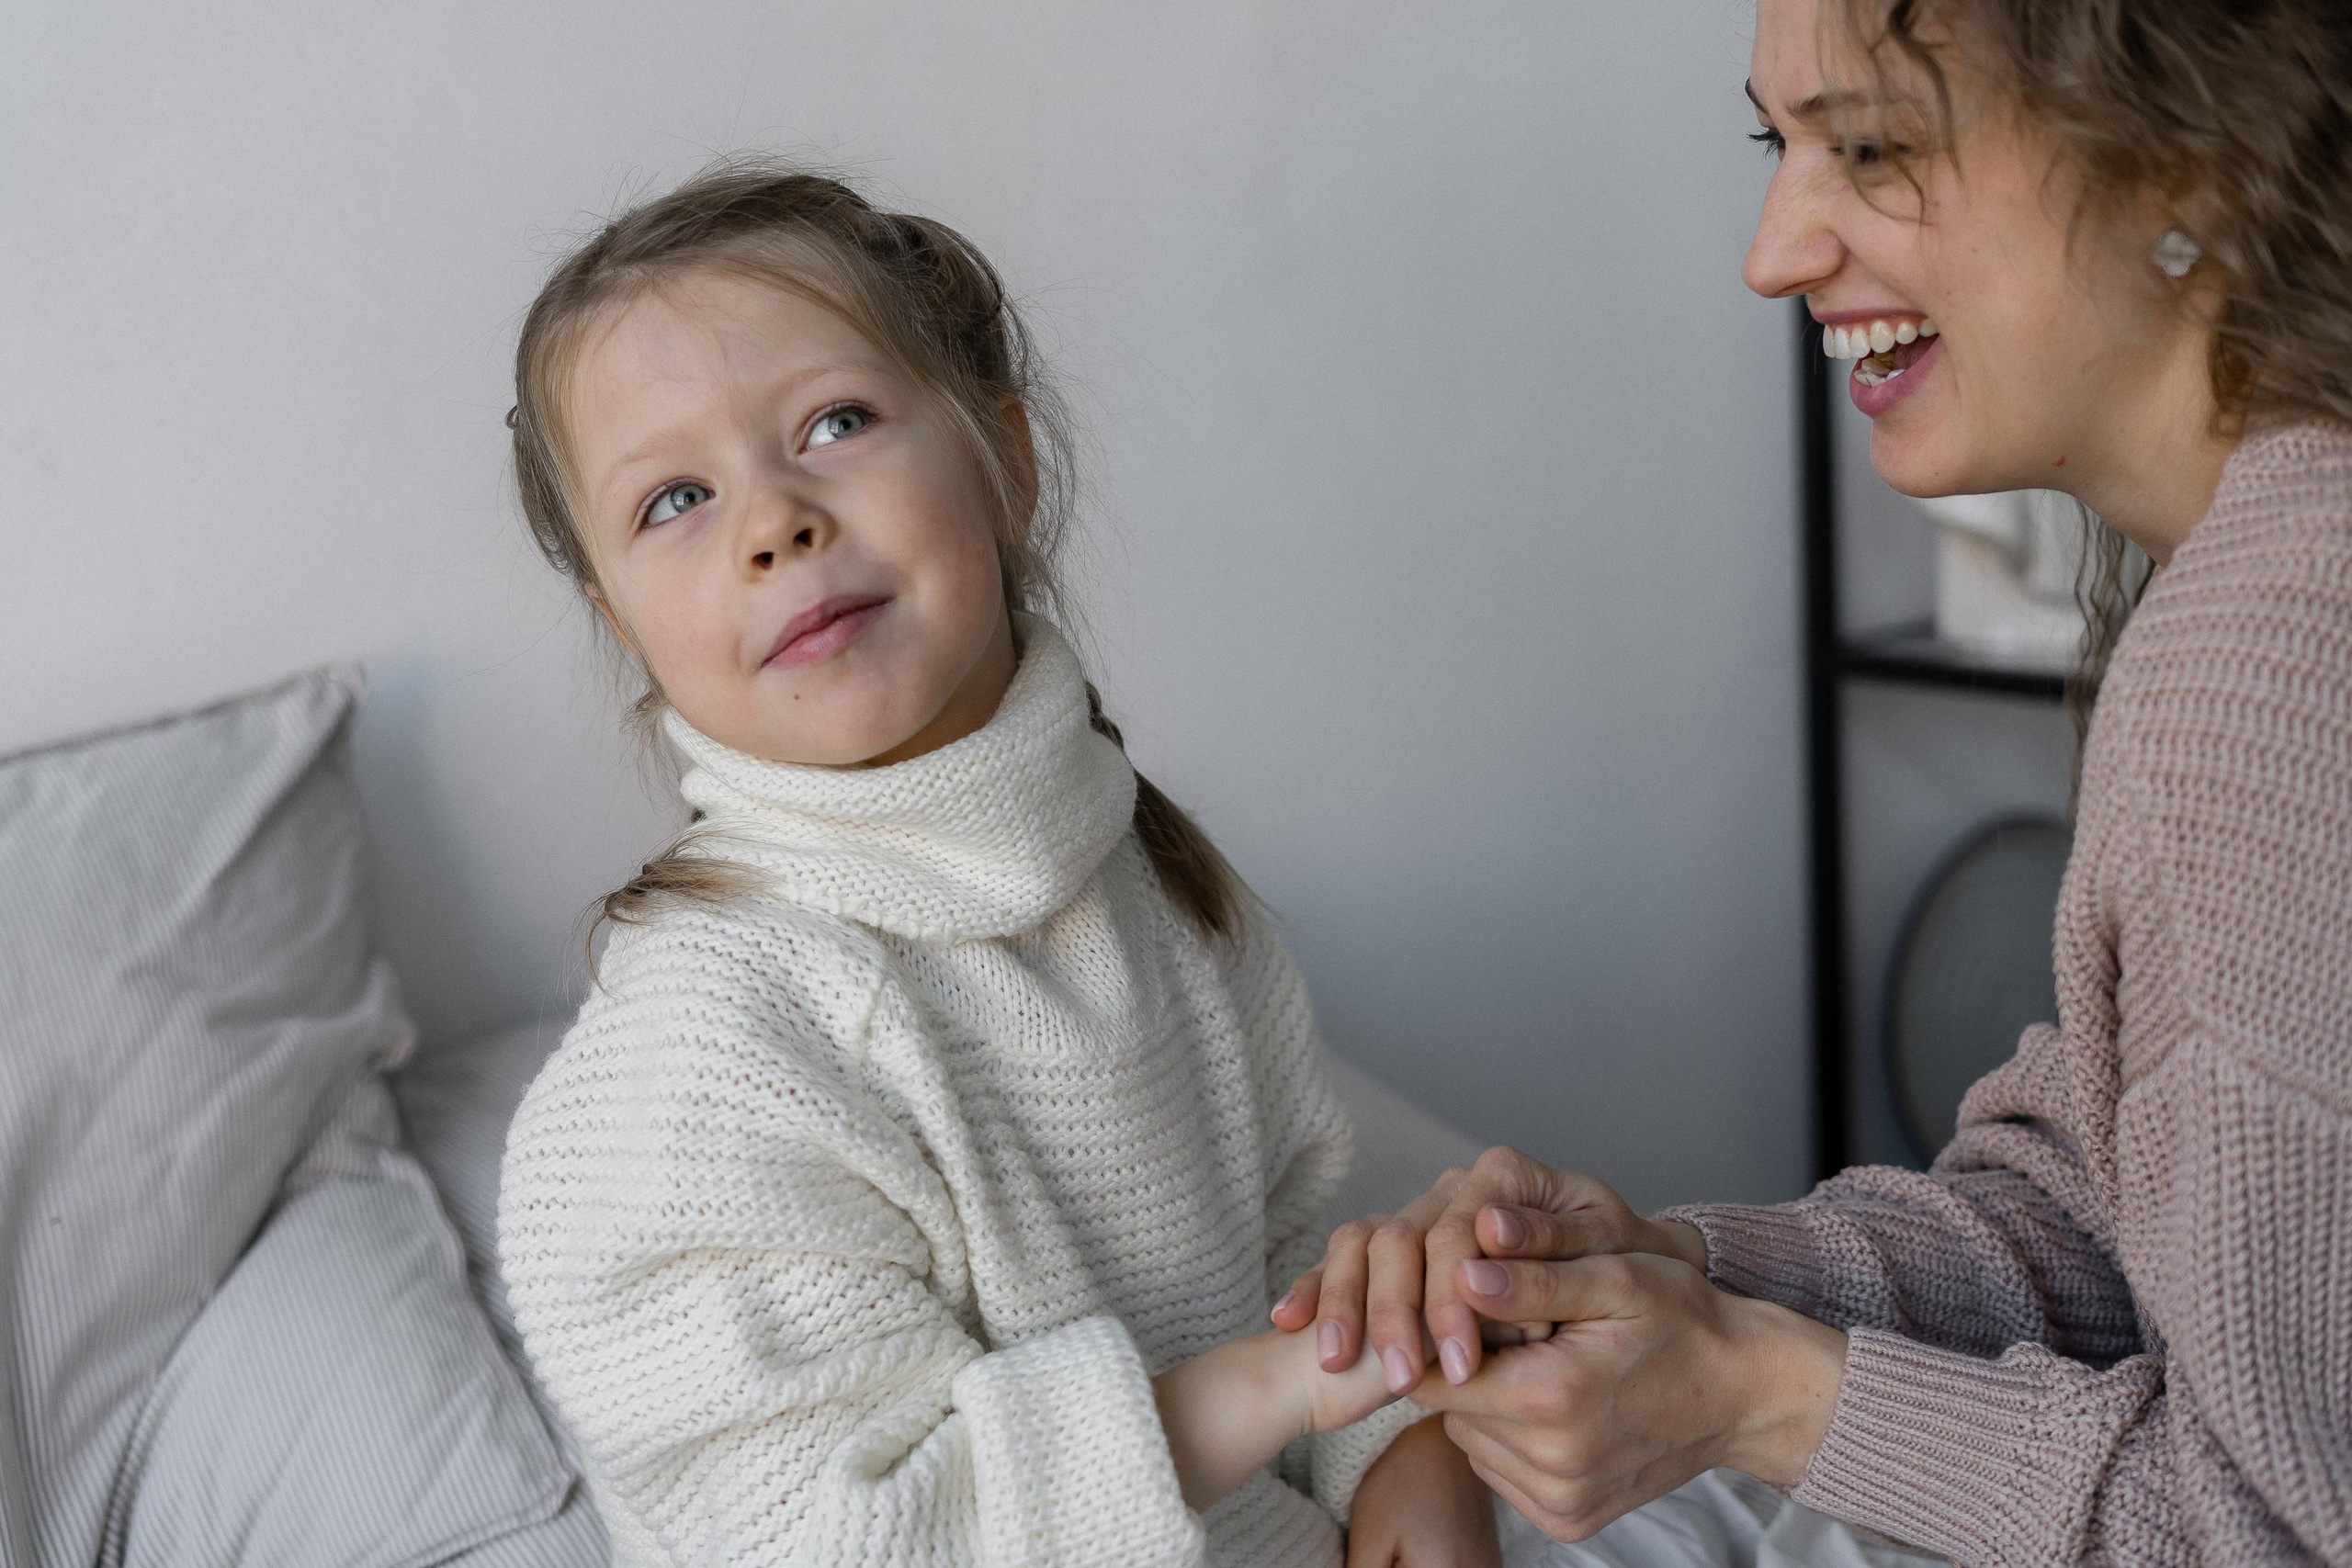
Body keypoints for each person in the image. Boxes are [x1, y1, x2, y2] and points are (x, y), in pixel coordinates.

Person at [1279, 0, 2352, 1562]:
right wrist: (1674, 1273)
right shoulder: (2271, 552)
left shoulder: (2263, 675)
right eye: (1777, 147)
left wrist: (1760, 1402)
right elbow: (2115, 1199)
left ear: (2194, 158)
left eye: (1872, 148)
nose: (1774, 252)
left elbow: (2280, 1531)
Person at [492, 164, 1499, 1566]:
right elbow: (857, 1535)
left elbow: (1285, 1264)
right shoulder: (696, 1058)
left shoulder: (1153, 885)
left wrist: (1401, 1443)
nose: (772, 518)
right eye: (673, 499)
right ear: (624, 621)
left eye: (834, 422)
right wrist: (1311, 1381)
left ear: (1007, 465)